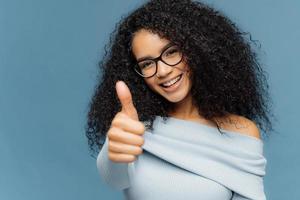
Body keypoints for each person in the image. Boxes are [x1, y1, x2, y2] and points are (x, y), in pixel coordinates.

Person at [85, 0, 275, 199]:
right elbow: (115, 179)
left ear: (199, 48)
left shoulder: (242, 132)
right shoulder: (133, 128)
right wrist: (113, 149)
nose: (163, 71)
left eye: (171, 52)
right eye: (147, 64)